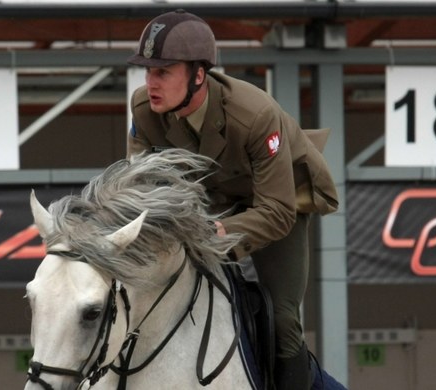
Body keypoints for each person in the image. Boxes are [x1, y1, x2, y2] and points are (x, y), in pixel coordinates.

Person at [125, 9, 338, 390]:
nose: (150, 83)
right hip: (213, 197)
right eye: (148, 71)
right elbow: (140, 193)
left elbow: (276, 212)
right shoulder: (144, 109)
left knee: (284, 319)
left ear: (198, 75)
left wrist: (217, 232)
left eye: (163, 72)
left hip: (275, 203)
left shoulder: (255, 115)